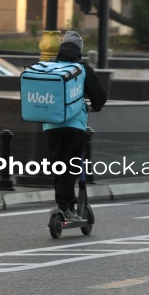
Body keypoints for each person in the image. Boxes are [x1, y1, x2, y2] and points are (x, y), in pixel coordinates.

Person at [44, 31, 107, 221]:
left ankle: (65, 204)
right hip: (74, 125)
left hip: (51, 126)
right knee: (71, 166)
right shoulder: (82, 70)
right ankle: (65, 207)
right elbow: (100, 97)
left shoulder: (51, 68)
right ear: (79, 50)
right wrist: (94, 107)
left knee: (59, 166)